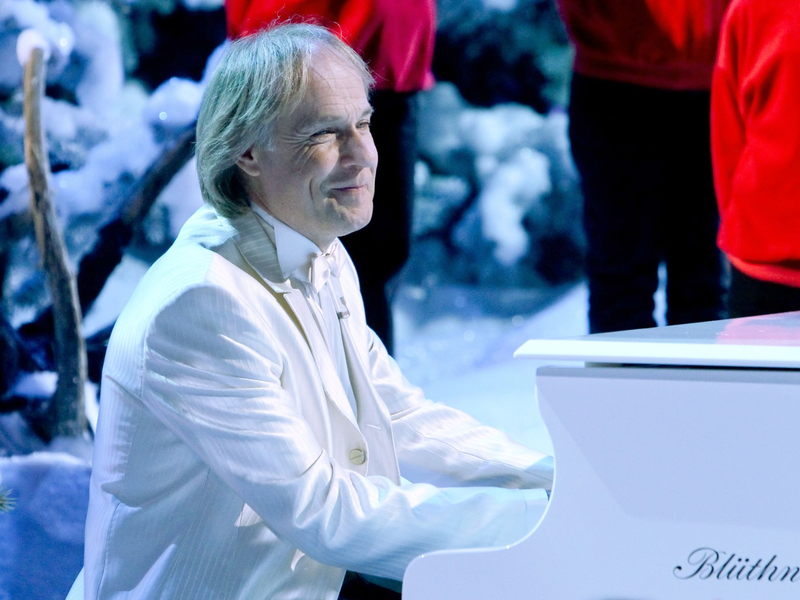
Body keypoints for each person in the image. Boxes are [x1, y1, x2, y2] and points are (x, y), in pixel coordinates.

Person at [78, 24, 552, 600]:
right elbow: (324, 512)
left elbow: (397, 418)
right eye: (325, 133)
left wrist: (557, 479)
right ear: (247, 151)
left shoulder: (320, 249)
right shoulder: (201, 303)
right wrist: (540, 525)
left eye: (364, 123)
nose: (361, 155)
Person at [225, 0, 437, 354]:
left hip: (388, 61)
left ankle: (366, 396)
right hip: (306, 61)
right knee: (305, 258)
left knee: (376, 258)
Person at [555, 0, 729, 333]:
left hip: (715, 75)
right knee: (622, 282)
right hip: (614, 77)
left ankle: (703, 385)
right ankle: (621, 385)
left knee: (705, 281)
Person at [711, 0, 800, 318]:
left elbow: (728, 137)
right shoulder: (752, 9)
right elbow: (729, 133)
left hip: (761, 254)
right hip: (763, 266)